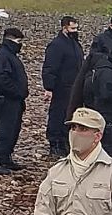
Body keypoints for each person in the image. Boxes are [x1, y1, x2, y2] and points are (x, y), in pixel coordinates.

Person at [42, 16, 83, 158]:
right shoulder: (57, 45)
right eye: (72, 28)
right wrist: (49, 87)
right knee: (57, 115)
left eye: (76, 28)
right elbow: (49, 67)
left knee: (70, 114)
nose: (75, 31)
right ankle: (55, 143)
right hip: (61, 87)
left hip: (73, 86)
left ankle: (65, 141)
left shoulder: (75, 44)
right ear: (64, 28)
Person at [0, 27, 28, 175]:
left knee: (13, 130)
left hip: (14, 100)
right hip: (5, 100)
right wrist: (17, 92)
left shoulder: (10, 55)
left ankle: (6, 158)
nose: (20, 45)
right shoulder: (2, 56)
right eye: (18, 41)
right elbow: (1, 78)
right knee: (5, 130)